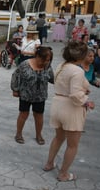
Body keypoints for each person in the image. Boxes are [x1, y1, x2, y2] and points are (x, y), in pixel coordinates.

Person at [43, 41, 95, 182]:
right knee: (72, 144)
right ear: (82, 55)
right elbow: (75, 94)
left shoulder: (62, 65)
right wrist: (87, 101)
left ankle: (49, 163)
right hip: (71, 108)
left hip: (58, 103)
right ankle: (63, 173)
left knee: (58, 137)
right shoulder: (77, 70)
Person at [11, 47, 54, 145]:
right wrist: (15, 89)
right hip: (26, 95)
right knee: (23, 114)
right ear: (38, 56)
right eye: (45, 59)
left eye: (48, 60)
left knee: (39, 116)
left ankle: (39, 135)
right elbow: (15, 76)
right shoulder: (25, 65)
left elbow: (52, 78)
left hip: (40, 96)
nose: (46, 62)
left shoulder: (47, 66)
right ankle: (18, 134)